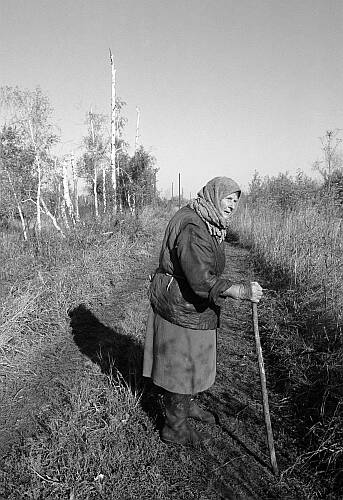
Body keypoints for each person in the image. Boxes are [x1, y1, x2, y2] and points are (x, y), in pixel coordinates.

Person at [143, 176, 262, 446]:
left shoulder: (208, 220)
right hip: (181, 307)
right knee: (180, 368)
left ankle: (188, 405)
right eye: (228, 198)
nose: (232, 205)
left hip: (192, 306)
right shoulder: (193, 226)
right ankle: (174, 427)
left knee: (195, 360)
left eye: (235, 200)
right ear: (213, 195)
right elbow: (200, 279)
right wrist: (240, 291)